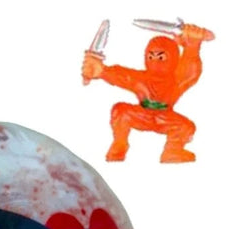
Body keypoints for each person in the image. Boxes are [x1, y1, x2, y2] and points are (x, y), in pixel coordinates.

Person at [82, 24, 212, 162]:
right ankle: (119, 145)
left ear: (174, 59)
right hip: (142, 115)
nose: (155, 61)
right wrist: (100, 71)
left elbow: (190, 71)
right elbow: (122, 76)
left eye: (161, 58)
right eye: (151, 56)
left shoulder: (176, 80)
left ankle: (173, 150)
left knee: (185, 127)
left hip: (165, 118)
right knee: (120, 111)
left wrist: (192, 46)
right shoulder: (141, 79)